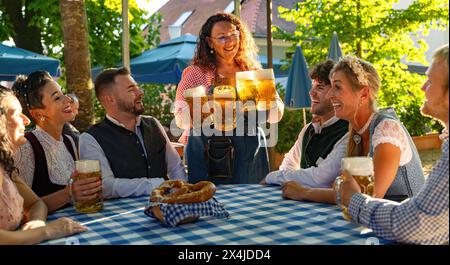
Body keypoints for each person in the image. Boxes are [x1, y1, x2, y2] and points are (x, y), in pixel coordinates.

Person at [337, 44, 449, 245]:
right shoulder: (355, 132)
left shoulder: (385, 127)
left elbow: (412, 224)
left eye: (430, 82)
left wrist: (354, 200)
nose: (422, 87)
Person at [281, 56, 425, 204]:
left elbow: (368, 196)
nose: (330, 95)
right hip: (377, 220)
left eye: (337, 87)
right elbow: (347, 189)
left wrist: (305, 192)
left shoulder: (387, 128)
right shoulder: (356, 132)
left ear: (363, 94)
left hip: (408, 223)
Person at [174, 12, 284, 184]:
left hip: (249, 152)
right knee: (207, 201)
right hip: (207, 153)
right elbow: (180, 120)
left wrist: (270, 101)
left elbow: (275, 115)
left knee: (249, 204)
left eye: (234, 34)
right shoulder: (196, 74)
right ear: (209, 41)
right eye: (222, 37)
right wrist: (210, 107)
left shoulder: (251, 70)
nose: (230, 41)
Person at [79, 67, 186, 199]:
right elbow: (105, 186)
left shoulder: (153, 123)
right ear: (110, 99)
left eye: (137, 87)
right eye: (131, 89)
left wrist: (183, 193)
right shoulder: (90, 138)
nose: (140, 92)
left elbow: (175, 167)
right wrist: (159, 184)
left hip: (168, 206)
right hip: (122, 214)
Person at [0, 86, 86, 245]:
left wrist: (36, 222)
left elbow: (36, 203)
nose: (26, 120)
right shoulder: (28, 148)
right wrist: (46, 231)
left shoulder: (6, 167)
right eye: (18, 114)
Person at [12, 71, 101, 212]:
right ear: (38, 114)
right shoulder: (27, 146)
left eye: (63, 93)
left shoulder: (69, 141)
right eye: (57, 98)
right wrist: (68, 194)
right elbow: (20, 208)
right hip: (44, 229)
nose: (67, 99)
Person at [261, 60, 349, 190]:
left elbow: (320, 178)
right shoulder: (308, 129)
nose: (311, 93)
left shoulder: (348, 131)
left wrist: (272, 177)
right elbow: (288, 165)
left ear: (335, 93)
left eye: (319, 87)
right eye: (312, 87)